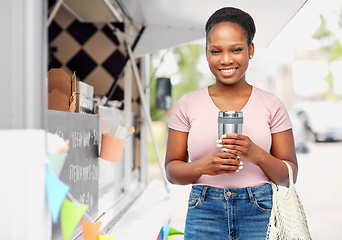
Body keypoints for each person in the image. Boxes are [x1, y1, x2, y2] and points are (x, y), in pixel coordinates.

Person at [164, 6, 298, 240]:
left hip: (261, 210)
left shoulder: (272, 104)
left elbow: (289, 176)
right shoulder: (187, 104)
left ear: (250, 49)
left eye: (236, 49)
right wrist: (202, 166)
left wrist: (258, 155)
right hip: (204, 209)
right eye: (216, 51)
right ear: (206, 52)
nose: (226, 60)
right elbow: (172, 171)